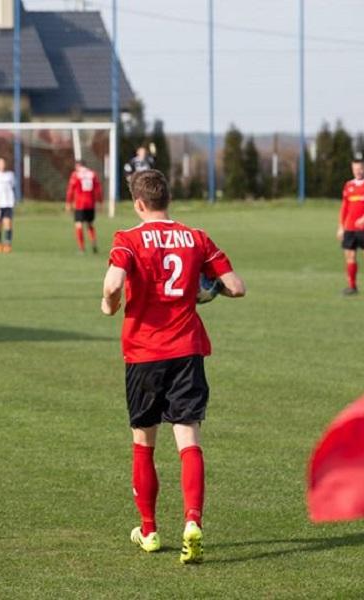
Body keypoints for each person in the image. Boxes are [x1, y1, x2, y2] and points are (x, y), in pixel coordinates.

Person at [100, 169, 246, 564]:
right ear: (168, 200)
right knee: (188, 439)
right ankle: (192, 522)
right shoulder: (196, 237)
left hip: (144, 352)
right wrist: (207, 290)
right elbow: (236, 285)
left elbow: (113, 285)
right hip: (186, 351)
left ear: (139, 204)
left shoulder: (127, 239)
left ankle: (148, 531)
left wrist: (109, 306)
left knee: (144, 442)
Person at [337, 159, 364, 295]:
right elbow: (344, 207)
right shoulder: (348, 185)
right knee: (350, 256)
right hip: (350, 228)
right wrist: (341, 226)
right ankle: (352, 286)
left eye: (360, 168)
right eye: (355, 169)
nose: (357, 171)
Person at [65, 160, 102, 253]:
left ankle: (81, 247)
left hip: (80, 204)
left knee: (79, 225)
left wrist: (68, 202)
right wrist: (99, 201)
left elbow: (70, 190)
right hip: (90, 203)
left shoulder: (76, 175)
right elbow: (98, 189)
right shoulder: (92, 174)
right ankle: (93, 242)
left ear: (78, 166)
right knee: (90, 224)